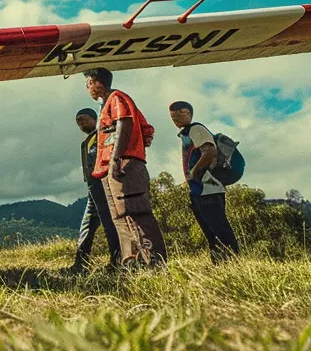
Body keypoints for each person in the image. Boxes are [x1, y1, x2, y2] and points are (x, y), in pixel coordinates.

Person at [83, 67, 167, 268]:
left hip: (122, 164)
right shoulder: (106, 104)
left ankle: (153, 260)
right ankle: (131, 262)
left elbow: (125, 123)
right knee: (119, 216)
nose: (88, 89)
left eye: (88, 84)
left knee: (135, 212)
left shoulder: (117, 98)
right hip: (109, 169)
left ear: (98, 83)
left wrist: (116, 158)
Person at [169, 101, 241, 262]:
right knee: (210, 231)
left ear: (188, 113)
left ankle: (232, 263)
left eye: (179, 114)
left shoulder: (196, 129)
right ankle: (220, 264)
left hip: (208, 189)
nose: (175, 118)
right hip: (199, 190)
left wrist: (194, 172)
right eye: (172, 116)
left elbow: (210, 150)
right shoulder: (188, 133)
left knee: (218, 228)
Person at [68, 107, 122, 272]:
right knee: (87, 225)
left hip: (103, 185)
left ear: (94, 119)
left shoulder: (102, 136)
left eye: (83, 119)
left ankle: (117, 260)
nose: (81, 123)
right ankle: (80, 262)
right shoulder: (87, 141)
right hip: (93, 188)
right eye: (78, 121)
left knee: (109, 223)